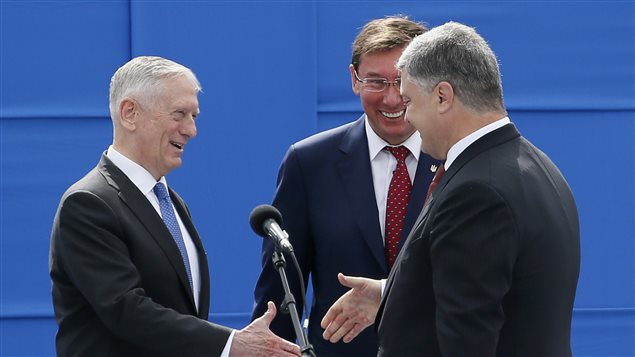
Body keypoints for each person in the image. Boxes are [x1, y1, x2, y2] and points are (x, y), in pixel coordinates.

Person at [321, 22, 581, 356]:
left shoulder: (477, 192)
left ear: (443, 96)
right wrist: (394, 290)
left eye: (410, 100)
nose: (408, 118)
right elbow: (494, 287)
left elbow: (466, 339)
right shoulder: (534, 165)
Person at [49, 56, 301, 357]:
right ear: (129, 113)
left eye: (194, 116)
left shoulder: (169, 201)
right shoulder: (88, 203)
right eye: (179, 114)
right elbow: (126, 310)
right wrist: (231, 344)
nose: (191, 130)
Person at [252, 16, 442, 356]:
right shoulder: (309, 163)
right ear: (354, 80)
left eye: (401, 81)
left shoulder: (456, 161)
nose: (391, 98)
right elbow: (280, 294)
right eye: (375, 81)